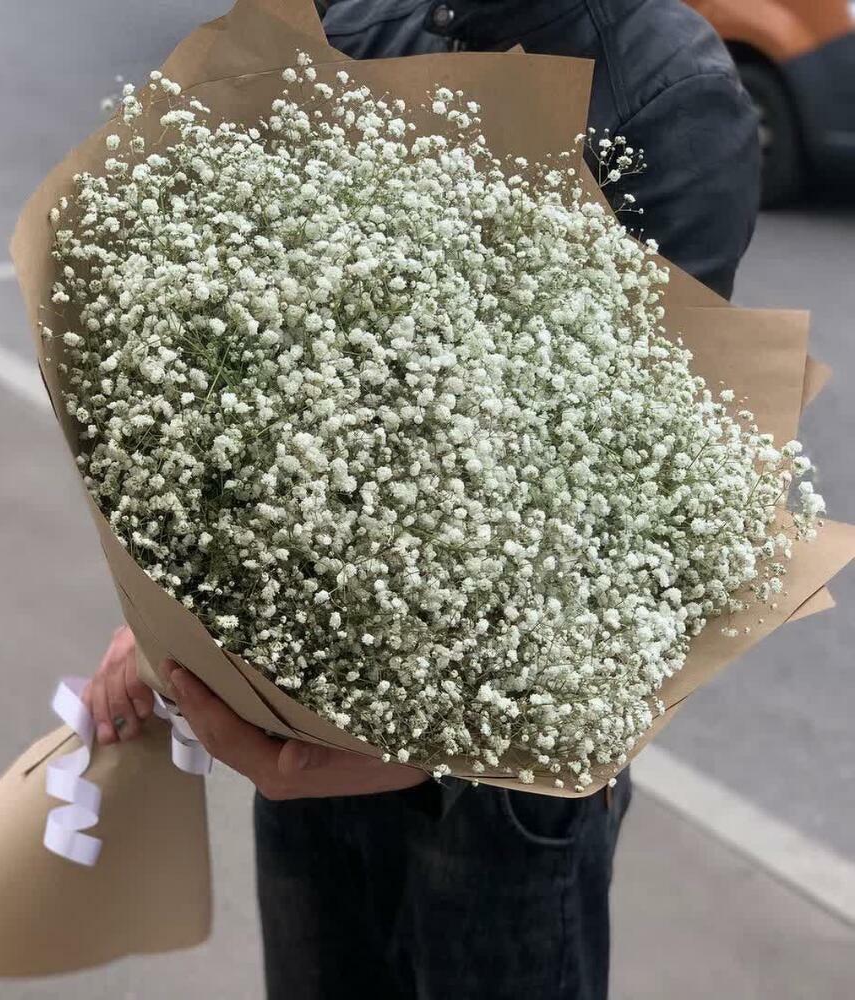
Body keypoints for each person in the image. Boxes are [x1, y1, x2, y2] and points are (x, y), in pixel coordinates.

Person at [84, 2, 760, 996]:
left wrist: (408, 756)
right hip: (307, 719)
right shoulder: (358, 24)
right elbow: (257, 398)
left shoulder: (667, 92)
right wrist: (164, 625)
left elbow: (647, 514)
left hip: (506, 780)